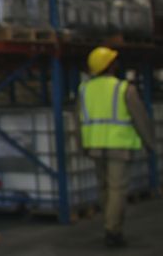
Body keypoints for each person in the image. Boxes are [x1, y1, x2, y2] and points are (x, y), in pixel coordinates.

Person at [73, 46, 155, 248]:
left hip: (94, 145)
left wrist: (81, 144)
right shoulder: (124, 88)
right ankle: (113, 230)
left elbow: (78, 120)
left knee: (104, 188)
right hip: (119, 146)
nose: (117, 63)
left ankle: (109, 224)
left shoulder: (84, 90)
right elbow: (140, 119)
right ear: (109, 66)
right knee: (117, 189)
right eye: (113, 61)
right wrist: (150, 143)